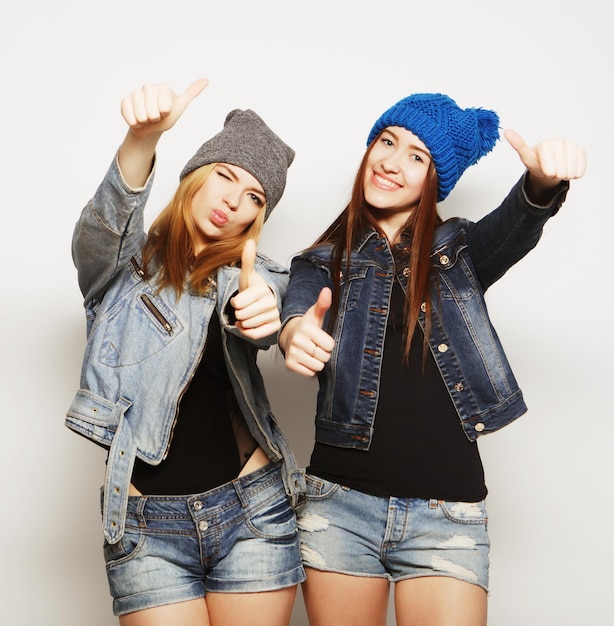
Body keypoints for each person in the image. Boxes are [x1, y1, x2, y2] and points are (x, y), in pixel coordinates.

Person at [279, 92, 586, 626]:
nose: (393, 162)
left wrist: (542, 183)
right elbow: (298, 312)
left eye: (417, 156)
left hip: (448, 514)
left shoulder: (459, 252)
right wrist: (293, 335)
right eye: (387, 142)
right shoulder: (320, 260)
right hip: (339, 507)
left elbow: (516, 222)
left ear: (433, 181)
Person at [65, 78, 305, 626]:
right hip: (145, 528)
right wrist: (140, 140)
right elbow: (101, 231)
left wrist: (269, 316)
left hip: (253, 514)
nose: (233, 201)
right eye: (226, 176)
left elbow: (271, 304)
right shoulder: (121, 271)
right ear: (195, 174)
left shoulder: (252, 278)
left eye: (254, 197)